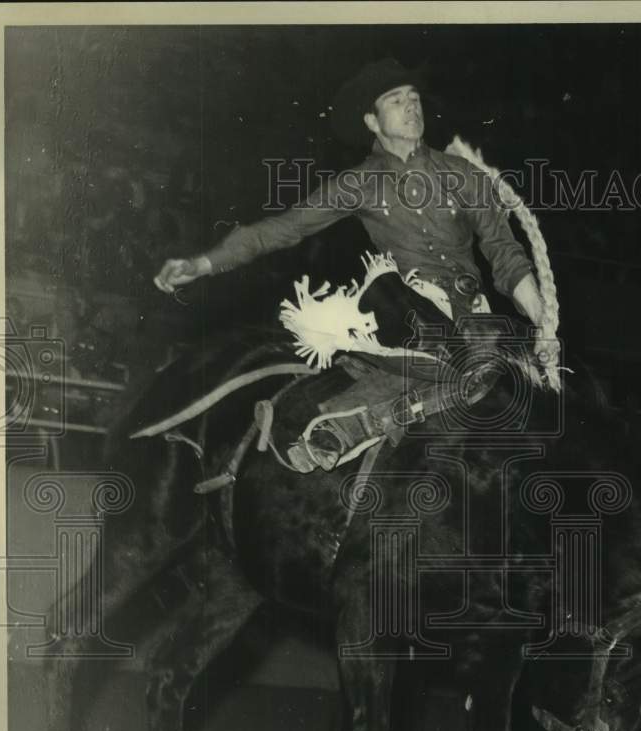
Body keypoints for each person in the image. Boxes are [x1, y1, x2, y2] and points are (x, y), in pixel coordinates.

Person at [154, 58, 550, 468]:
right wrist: (204, 263)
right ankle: (345, 424)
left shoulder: (464, 174)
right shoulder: (358, 183)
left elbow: (504, 253)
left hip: (472, 315)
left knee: (523, 378)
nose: (411, 107)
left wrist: (542, 320)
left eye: (414, 98)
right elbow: (283, 229)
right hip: (405, 310)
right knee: (427, 334)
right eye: (396, 100)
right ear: (372, 121)